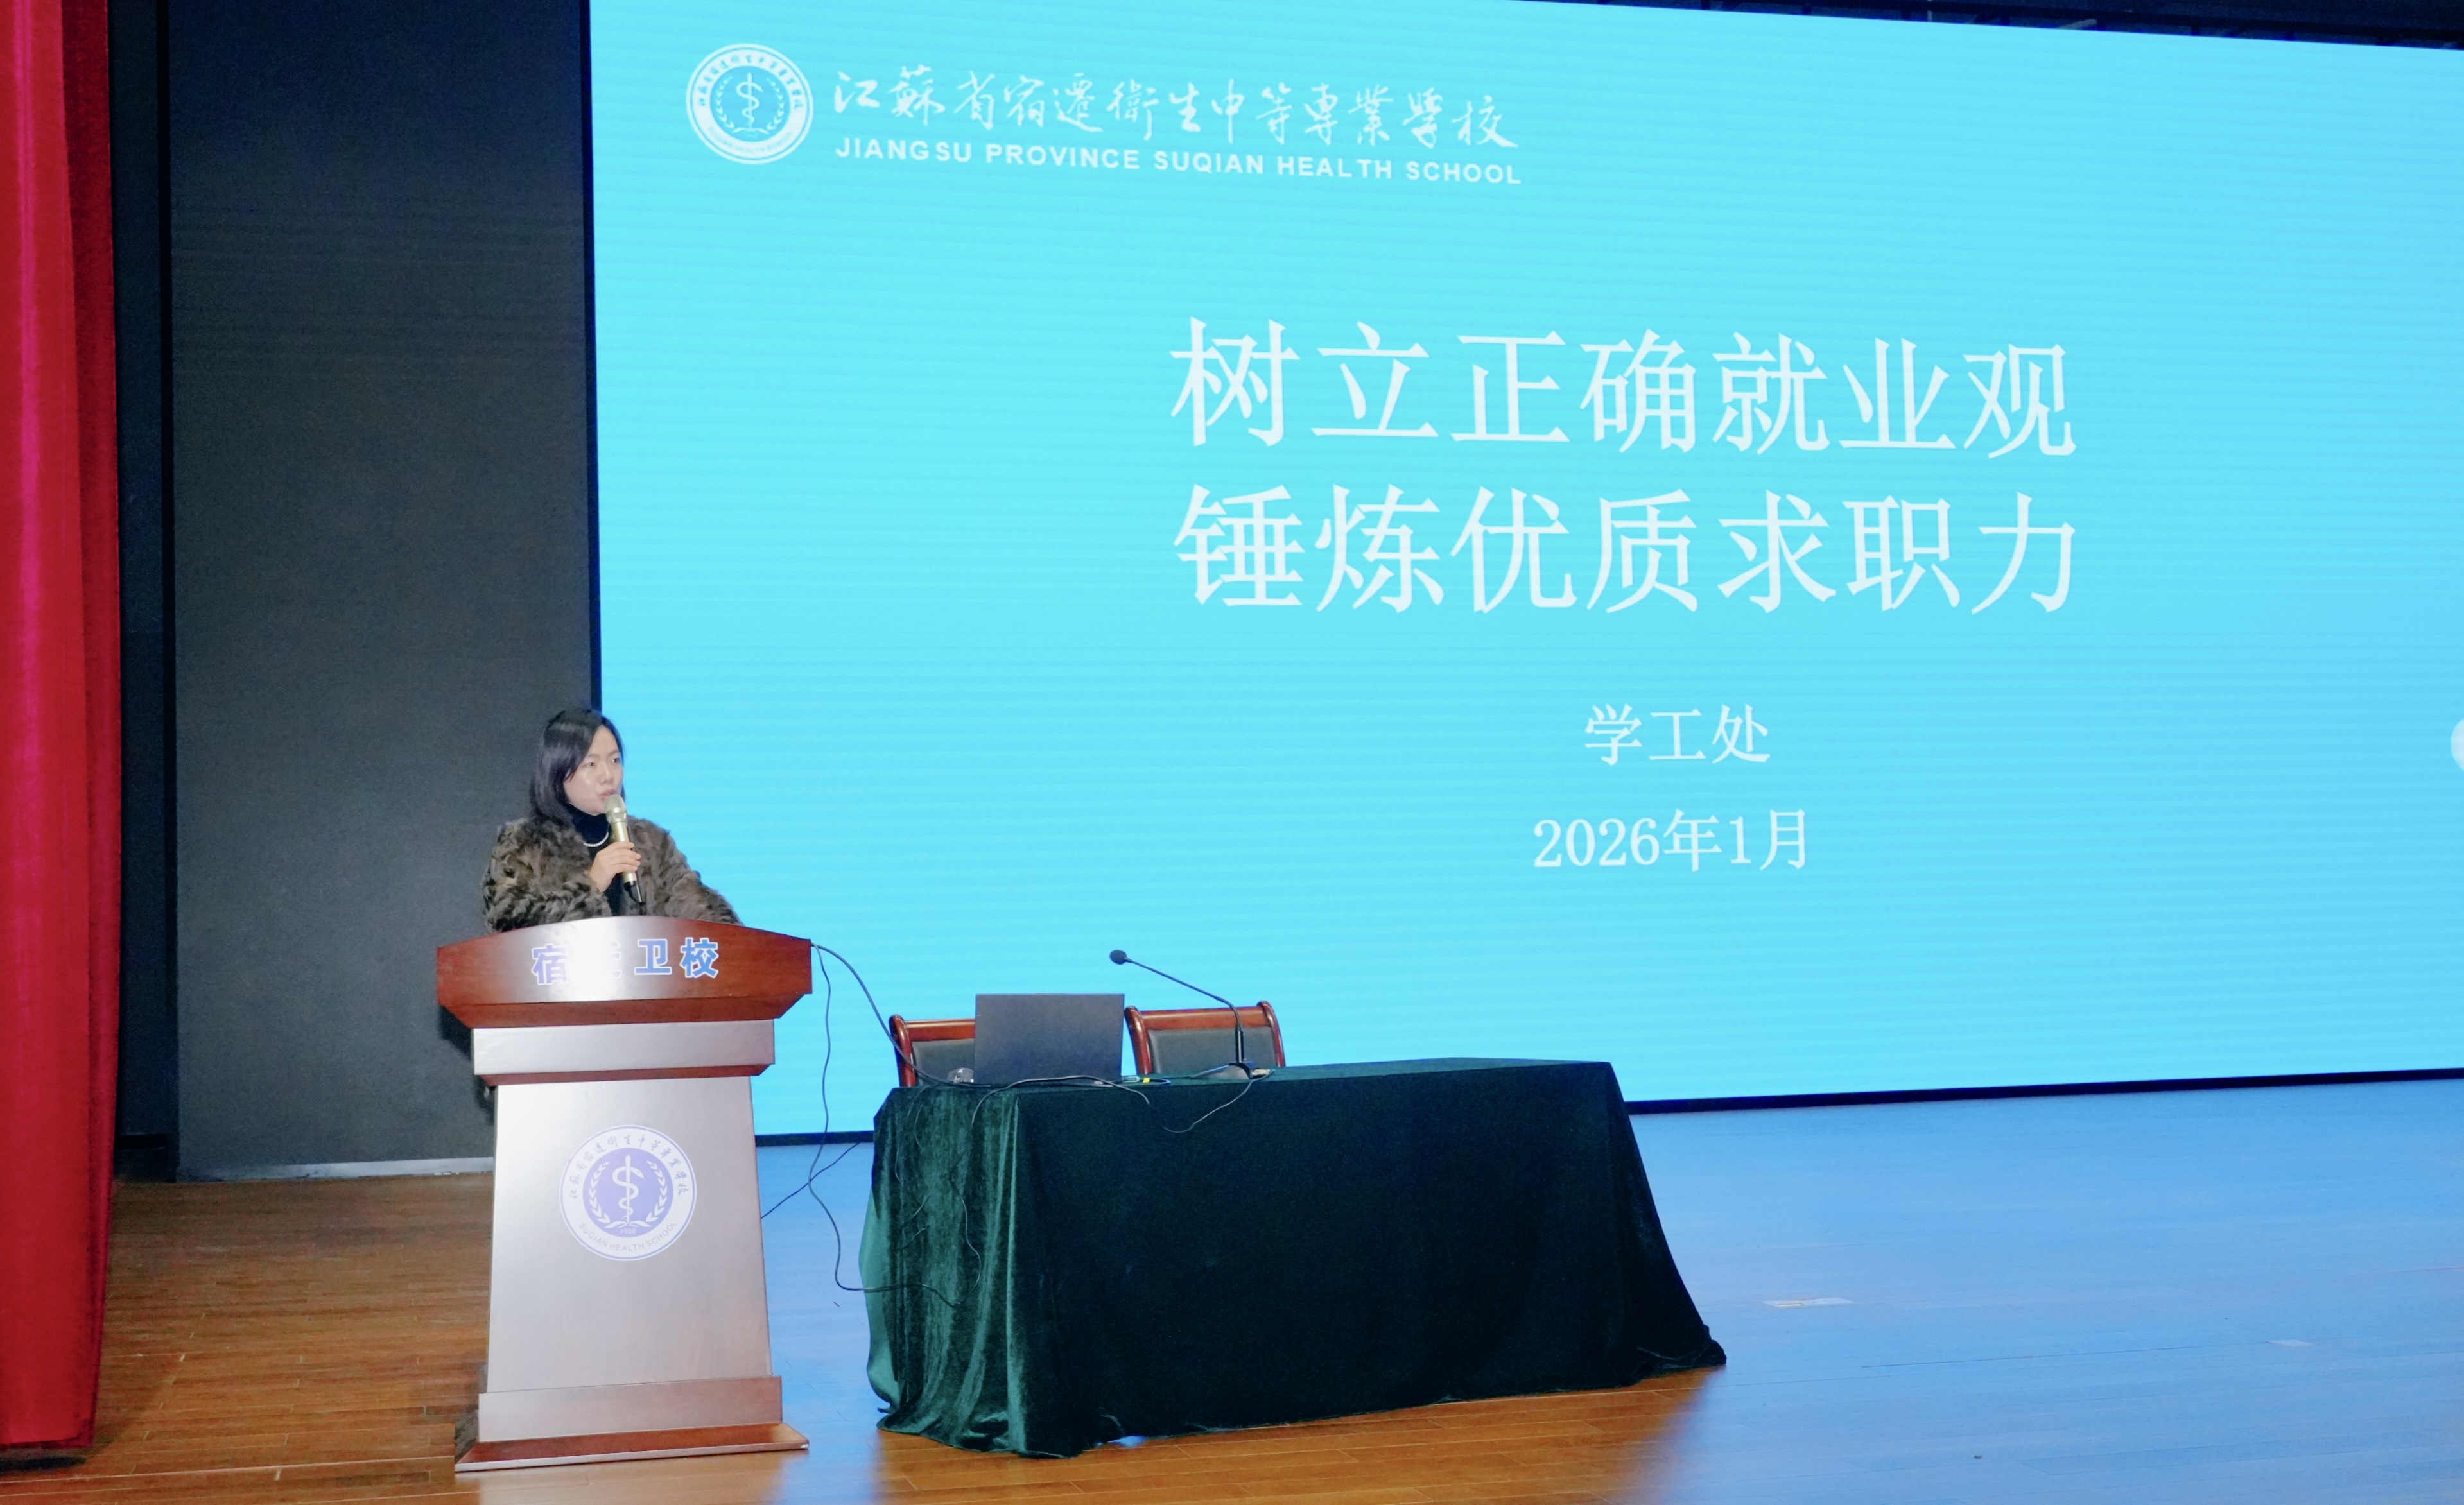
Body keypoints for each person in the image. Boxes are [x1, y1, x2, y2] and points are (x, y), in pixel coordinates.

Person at [483, 708, 738, 931]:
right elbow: (507, 923)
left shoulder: (650, 842)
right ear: (558, 772)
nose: (608, 775)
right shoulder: (524, 843)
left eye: (615, 761)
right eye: (591, 765)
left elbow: (699, 908)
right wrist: (592, 884)